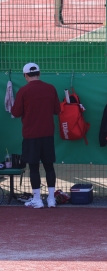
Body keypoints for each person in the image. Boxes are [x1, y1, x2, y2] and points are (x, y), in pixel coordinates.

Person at [11, 62, 61, 209]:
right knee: (49, 166)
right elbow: (57, 110)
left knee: (33, 167)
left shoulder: (23, 91)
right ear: (39, 73)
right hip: (47, 134)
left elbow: (15, 112)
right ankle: (51, 199)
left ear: (25, 75)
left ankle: (37, 200)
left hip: (31, 135)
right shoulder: (50, 88)